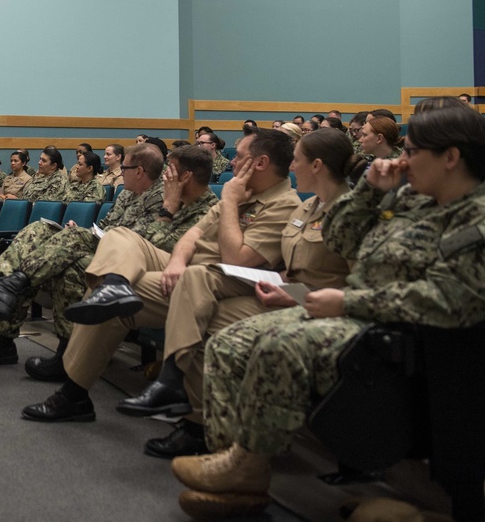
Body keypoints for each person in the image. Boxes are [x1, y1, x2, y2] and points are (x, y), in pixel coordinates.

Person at [171, 104, 485, 519]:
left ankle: (247, 465)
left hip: (402, 331)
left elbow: (449, 298)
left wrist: (347, 301)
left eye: (411, 150)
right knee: (231, 342)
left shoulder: (474, 217)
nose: (401, 160)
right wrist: (371, 192)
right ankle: (239, 465)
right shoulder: (410, 197)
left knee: (277, 344)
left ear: (450, 157)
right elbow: (341, 239)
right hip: (360, 312)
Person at [20, 129, 300, 423]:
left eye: (239, 156)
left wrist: (228, 202)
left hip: (224, 288)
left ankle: (187, 419)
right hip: (187, 274)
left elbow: (236, 259)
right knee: (116, 259)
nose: (232, 163)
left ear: (260, 162)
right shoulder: (241, 193)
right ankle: (74, 392)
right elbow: (193, 235)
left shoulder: (281, 204)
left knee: (130, 294)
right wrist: (178, 260)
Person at [134, 129, 359, 459]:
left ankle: (203, 426)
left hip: (318, 310)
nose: (292, 167)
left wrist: (298, 293)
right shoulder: (308, 208)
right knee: (196, 309)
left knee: (199, 314)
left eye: (297, 161)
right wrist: (285, 285)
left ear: (317, 166)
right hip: (286, 298)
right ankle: (198, 424)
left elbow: (362, 283)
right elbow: (294, 267)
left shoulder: (349, 213)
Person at [0, 144, 216, 378]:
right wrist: (89, 231)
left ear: (139, 171)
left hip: (130, 268)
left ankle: (17, 299)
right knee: (36, 230)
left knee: (75, 262)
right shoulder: (126, 194)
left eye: (124, 167)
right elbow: (107, 226)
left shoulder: (169, 199)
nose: (120, 172)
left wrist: (166, 209)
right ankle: (3, 331)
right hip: (108, 250)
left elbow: (152, 245)